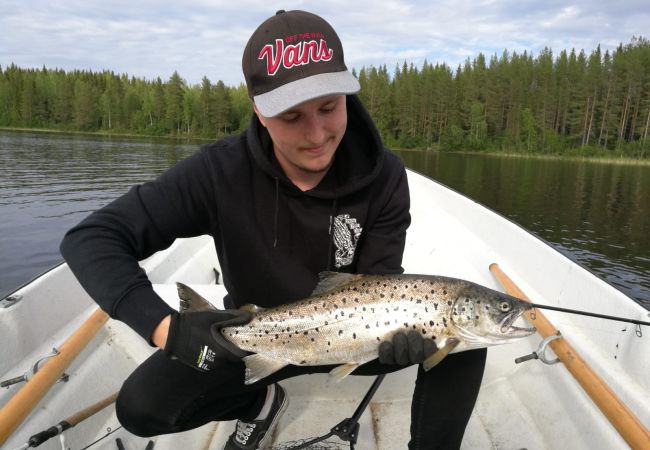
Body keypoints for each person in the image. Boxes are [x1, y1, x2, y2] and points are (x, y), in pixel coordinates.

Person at [60, 10, 486, 450]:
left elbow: (379, 280)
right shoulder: (216, 172)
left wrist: (405, 342)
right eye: (291, 116)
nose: (317, 133)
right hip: (249, 336)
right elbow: (92, 238)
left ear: (346, 94)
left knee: (467, 341)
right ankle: (259, 402)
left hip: (358, 337)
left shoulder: (385, 175)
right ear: (260, 112)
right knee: (141, 408)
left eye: (328, 107)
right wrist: (165, 327)